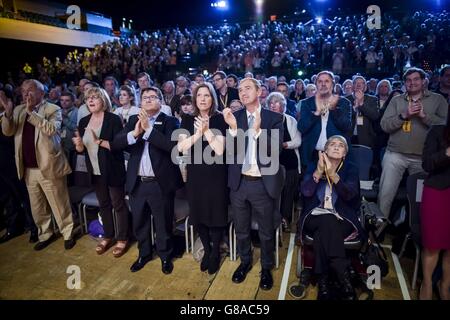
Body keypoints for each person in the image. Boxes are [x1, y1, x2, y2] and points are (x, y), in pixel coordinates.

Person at [112, 86, 183, 274]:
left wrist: (149, 131)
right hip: (137, 182)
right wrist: (135, 133)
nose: (149, 100)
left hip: (160, 184)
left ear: (161, 101)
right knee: (140, 223)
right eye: (145, 97)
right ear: (140, 102)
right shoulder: (133, 120)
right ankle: (144, 254)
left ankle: (165, 256)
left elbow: (172, 147)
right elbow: (116, 143)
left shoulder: (170, 121)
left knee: (163, 223)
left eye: (153, 97)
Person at [223, 77, 284, 291]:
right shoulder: (235, 117)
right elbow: (229, 152)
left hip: (261, 183)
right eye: (240, 89)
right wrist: (232, 130)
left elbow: (275, 150)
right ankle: (245, 262)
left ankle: (266, 267)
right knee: (241, 228)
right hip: (239, 183)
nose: (243, 92)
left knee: (266, 232)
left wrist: (258, 132)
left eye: (248, 88)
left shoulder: (274, 118)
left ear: (259, 91)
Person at [1, 79, 76, 250]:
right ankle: (46, 233)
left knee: (59, 202)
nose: (26, 93)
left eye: (30, 90)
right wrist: (7, 113)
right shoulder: (19, 110)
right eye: (24, 90)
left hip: (48, 164)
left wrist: (32, 113)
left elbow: (51, 130)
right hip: (28, 168)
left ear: (41, 93)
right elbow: (8, 131)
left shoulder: (53, 109)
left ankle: (67, 232)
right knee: (37, 205)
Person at [298, 135, 362, 300]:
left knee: (325, 229)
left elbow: (350, 195)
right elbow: (306, 192)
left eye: (340, 146)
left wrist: (333, 175)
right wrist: (318, 172)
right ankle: (344, 277)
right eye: (332, 144)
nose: (335, 147)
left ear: (344, 154)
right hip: (315, 215)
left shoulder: (351, 169)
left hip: (342, 218)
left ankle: (323, 280)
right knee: (326, 220)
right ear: (324, 151)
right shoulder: (313, 165)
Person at [379, 67, 448, 219]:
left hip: (423, 159)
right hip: (395, 155)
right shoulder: (397, 100)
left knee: (420, 200)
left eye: (416, 79)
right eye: (408, 80)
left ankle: (418, 234)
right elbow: (384, 125)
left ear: (424, 81)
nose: (412, 83)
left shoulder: (438, 100)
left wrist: (424, 117)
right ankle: (377, 232)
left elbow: (445, 128)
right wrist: (404, 115)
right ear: (405, 83)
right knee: (385, 195)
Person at [177, 82, 228, 274]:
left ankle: (215, 252)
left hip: (216, 174)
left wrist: (206, 131)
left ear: (212, 98)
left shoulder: (220, 119)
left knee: (215, 215)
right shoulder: (187, 120)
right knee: (198, 215)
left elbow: (220, 149)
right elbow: (181, 147)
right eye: (199, 96)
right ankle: (207, 250)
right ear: (195, 99)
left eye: (207, 95)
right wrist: (198, 134)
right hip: (195, 174)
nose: (203, 99)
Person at [73, 87, 129, 257]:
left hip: (112, 170)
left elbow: (120, 145)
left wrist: (100, 141)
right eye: (88, 98)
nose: (91, 100)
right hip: (94, 171)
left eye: (95, 97)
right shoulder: (83, 122)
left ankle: (122, 238)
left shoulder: (113, 119)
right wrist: (79, 146)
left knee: (118, 205)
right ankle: (108, 235)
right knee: (103, 204)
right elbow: (82, 150)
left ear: (103, 100)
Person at [419, 115, 450, 300]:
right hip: (437, 192)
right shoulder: (437, 131)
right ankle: (427, 283)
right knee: (433, 246)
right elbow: (427, 164)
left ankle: (445, 285)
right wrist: (447, 153)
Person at [298, 71, 352, 170]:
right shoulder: (306, 103)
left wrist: (334, 110)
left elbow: (346, 127)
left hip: (336, 157)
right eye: (320, 81)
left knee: (335, 185)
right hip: (312, 155)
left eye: (327, 81)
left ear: (333, 84)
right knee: (309, 185)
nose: (323, 84)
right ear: (316, 85)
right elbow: (302, 128)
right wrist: (316, 113)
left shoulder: (344, 103)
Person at [266, 92, 301, 231]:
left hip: (289, 162)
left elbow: (297, 141)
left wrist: (283, 145)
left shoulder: (291, 120)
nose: (274, 105)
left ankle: (284, 220)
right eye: (271, 103)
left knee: (287, 193)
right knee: (272, 194)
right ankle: (272, 220)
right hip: (271, 164)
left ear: (283, 106)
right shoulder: (264, 120)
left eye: (277, 103)